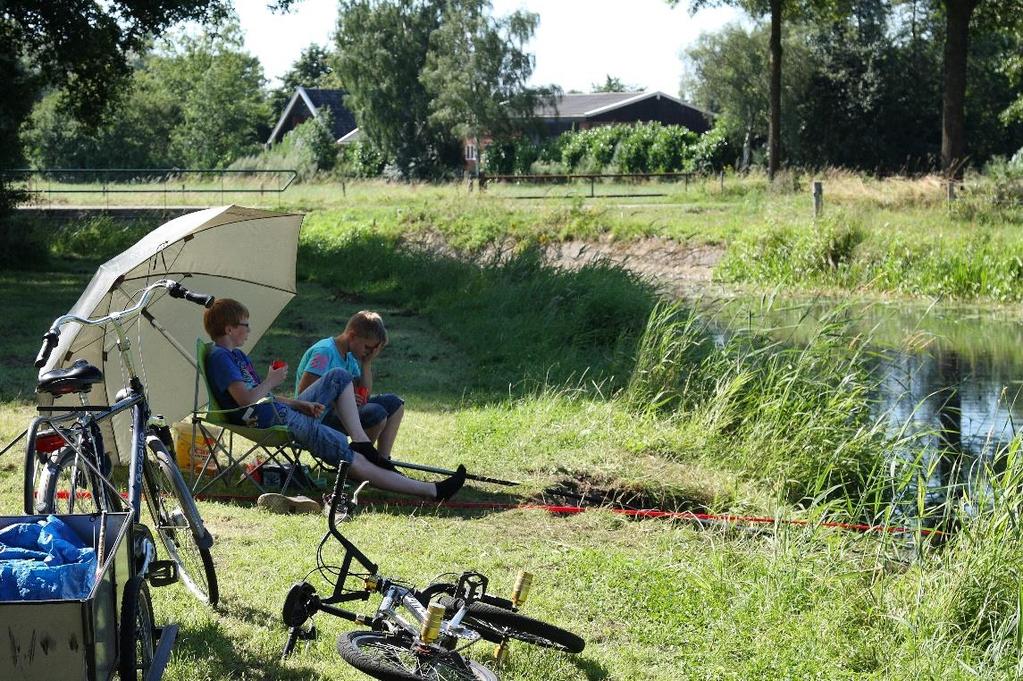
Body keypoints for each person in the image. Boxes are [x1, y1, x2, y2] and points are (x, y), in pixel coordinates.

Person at [203, 298, 465, 502]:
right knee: (346, 454)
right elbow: (246, 400)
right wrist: (270, 380)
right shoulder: (221, 357)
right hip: (270, 420)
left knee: (339, 376)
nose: (250, 329)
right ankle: (432, 491)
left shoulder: (237, 356)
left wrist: (299, 403)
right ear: (229, 328)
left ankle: (362, 442)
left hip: (282, 413)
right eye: (246, 324)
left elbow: (264, 397)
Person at [295, 311, 404, 462]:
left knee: (395, 403)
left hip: (342, 413)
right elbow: (305, 394)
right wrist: (341, 399)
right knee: (376, 413)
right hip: (319, 416)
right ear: (352, 336)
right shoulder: (324, 352)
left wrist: (367, 362)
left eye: (373, 350)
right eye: (367, 347)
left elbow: (364, 396)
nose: (369, 352)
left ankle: (382, 460)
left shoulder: (350, 357)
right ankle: (362, 462)